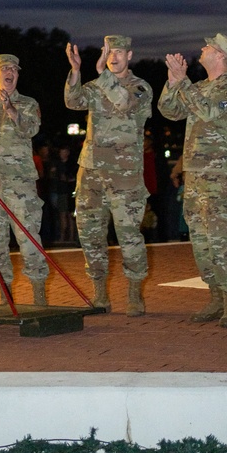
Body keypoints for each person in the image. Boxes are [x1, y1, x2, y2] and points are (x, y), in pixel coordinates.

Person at [159, 33, 227, 328]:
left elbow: (209, 112)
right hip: (195, 177)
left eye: (208, 46)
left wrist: (183, 82)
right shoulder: (198, 87)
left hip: (219, 176)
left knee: (221, 238)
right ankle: (214, 297)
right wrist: (173, 81)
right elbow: (169, 111)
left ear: (221, 56)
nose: (202, 48)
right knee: (199, 240)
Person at [65, 35, 152, 314]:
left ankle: (134, 293)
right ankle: (100, 292)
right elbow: (72, 101)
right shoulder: (97, 84)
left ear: (129, 55)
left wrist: (102, 75)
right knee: (90, 235)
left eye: (117, 52)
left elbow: (124, 103)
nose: (112, 56)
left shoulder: (140, 87)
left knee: (128, 235)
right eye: (107, 51)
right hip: (91, 172)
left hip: (124, 176)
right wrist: (76, 71)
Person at [0, 54, 49, 304]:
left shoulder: (27, 103)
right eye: (4, 69)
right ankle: (5, 297)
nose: (9, 73)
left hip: (20, 183)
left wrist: (12, 110)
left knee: (29, 238)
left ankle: (39, 295)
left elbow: (32, 129)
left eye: (13, 69)